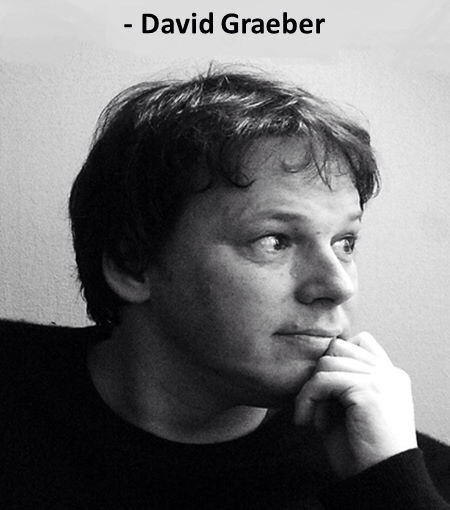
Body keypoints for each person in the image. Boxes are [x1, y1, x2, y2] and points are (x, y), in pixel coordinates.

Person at [1, 68, 449, 509]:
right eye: (274, 241)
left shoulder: (406, 473)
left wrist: (391, 488)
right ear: (131, 265)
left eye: (345, 243)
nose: (338, 285)